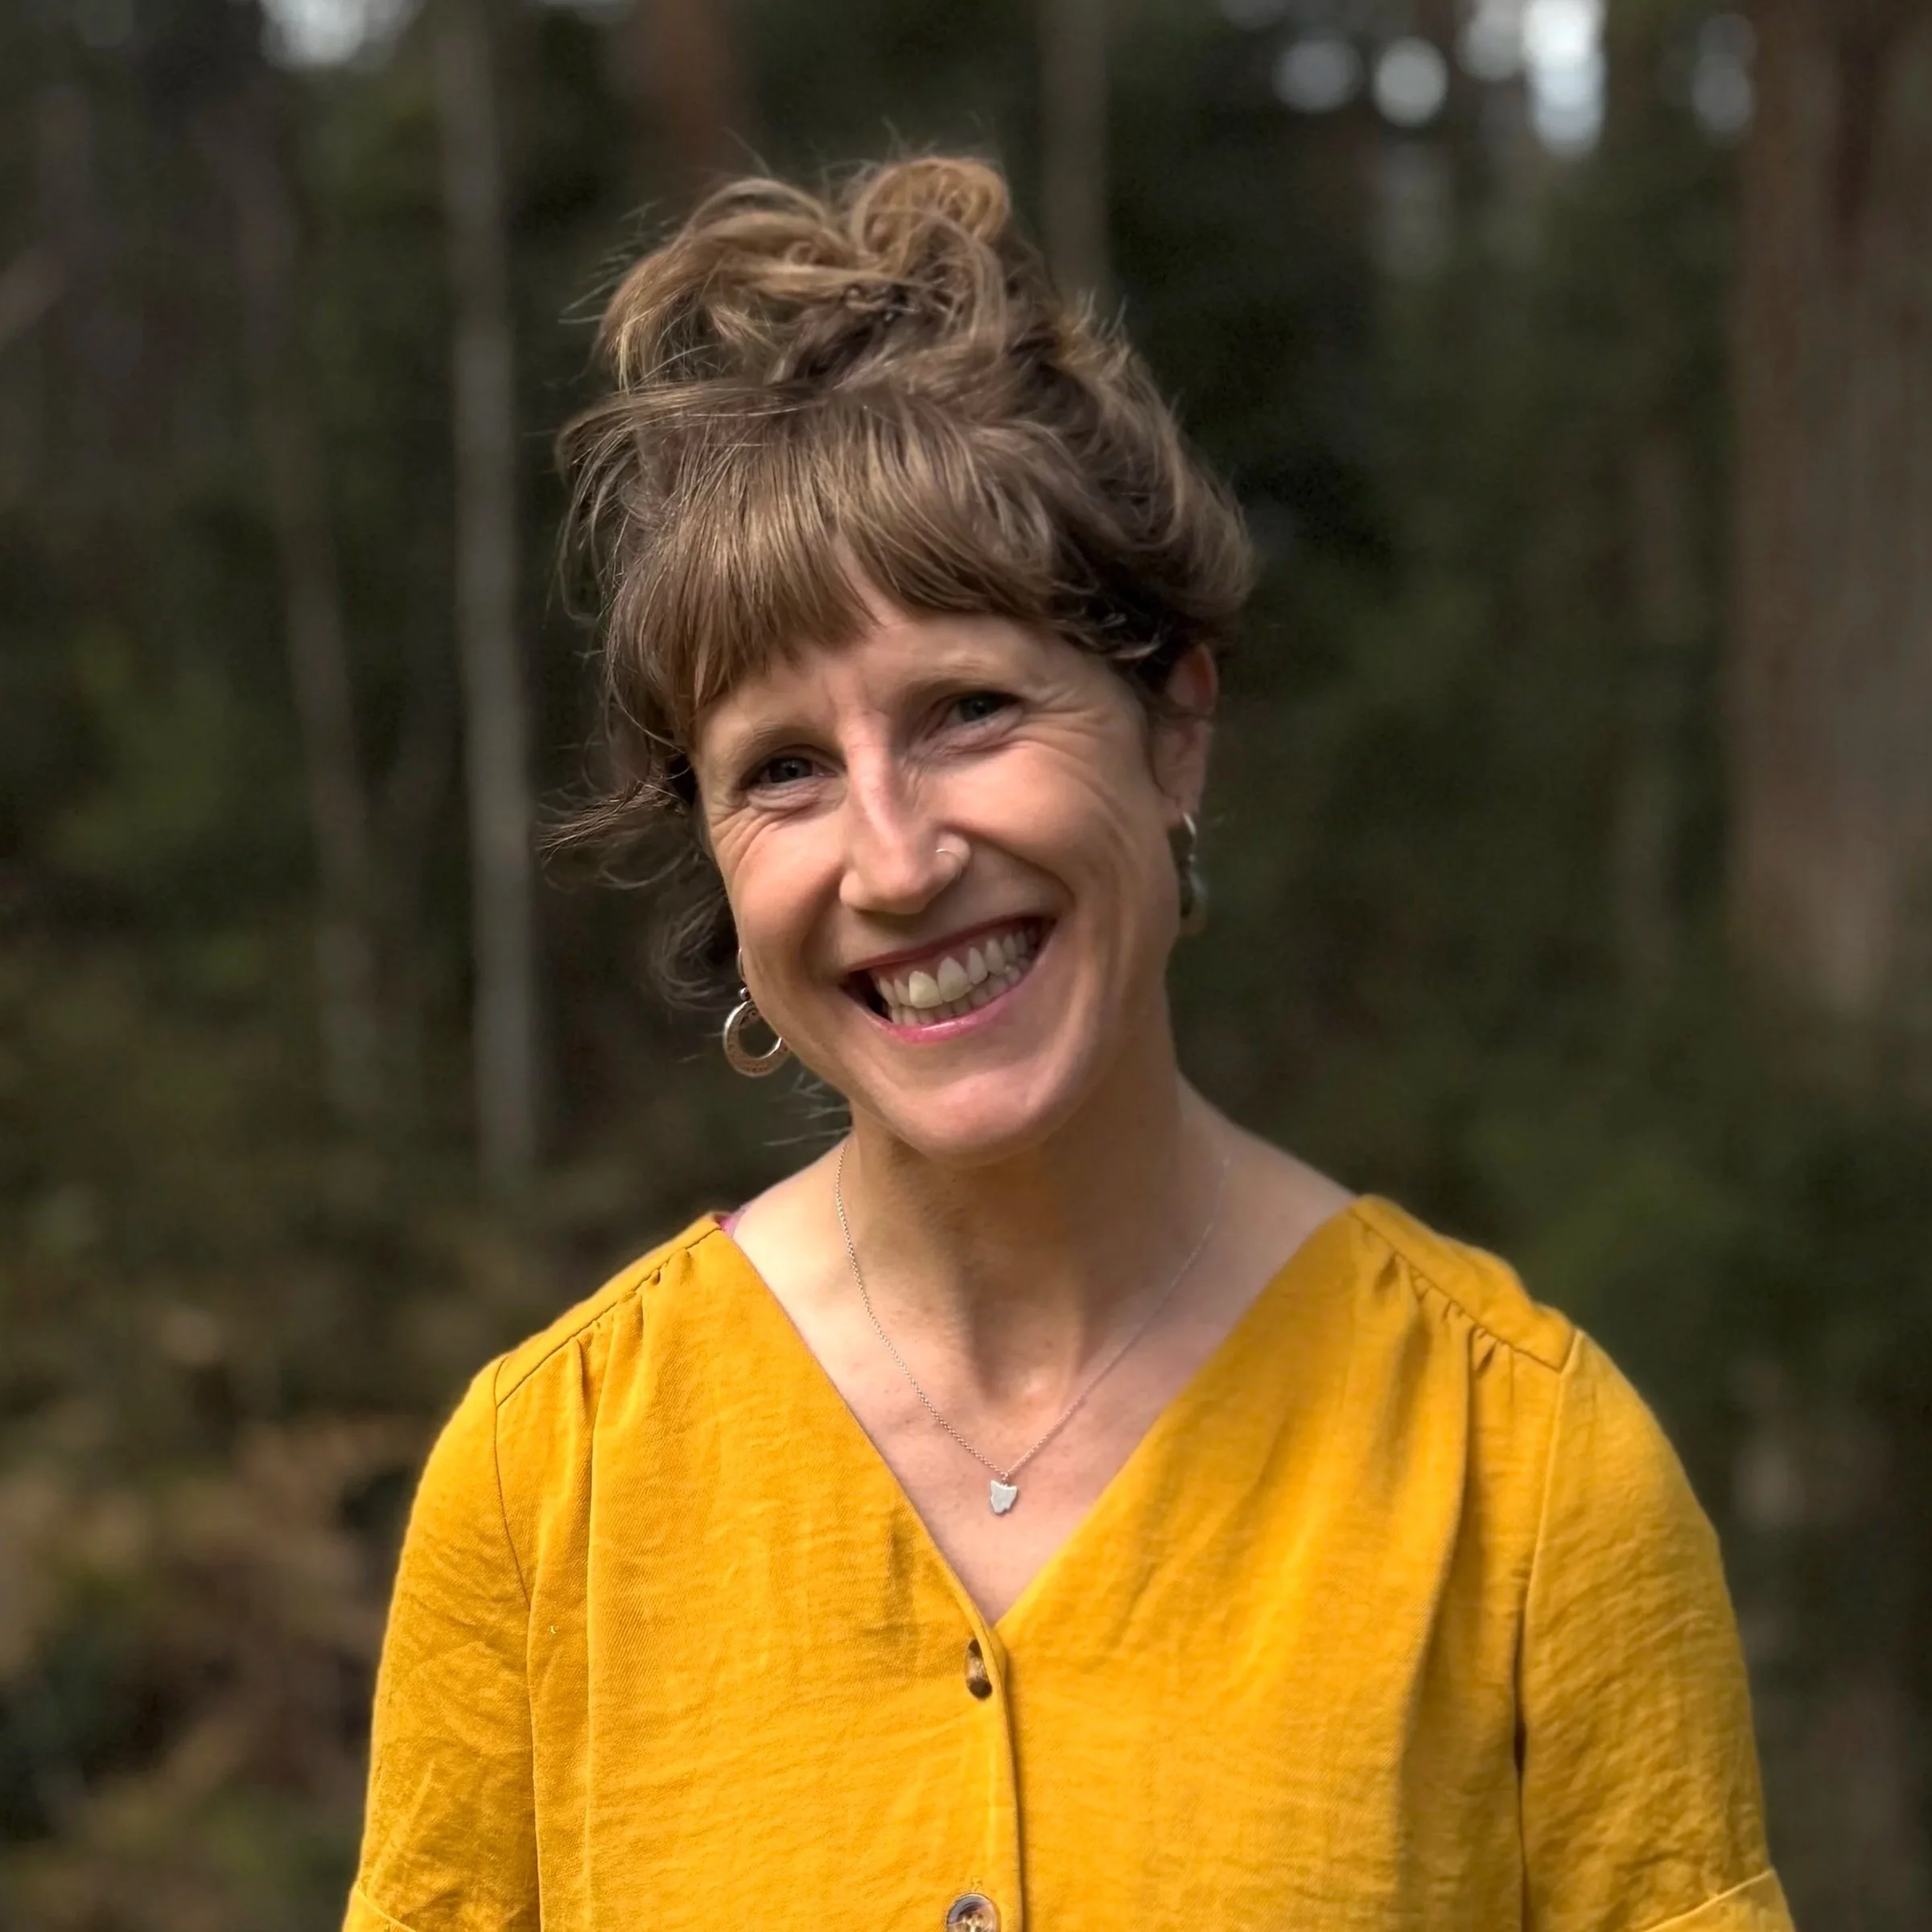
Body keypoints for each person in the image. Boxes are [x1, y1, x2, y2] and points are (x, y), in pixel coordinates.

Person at [343, 156, 1792, 1932]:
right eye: (783, 770)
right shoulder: (546, 1487)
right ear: (717, 859)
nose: (893, 858)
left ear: (1173, 727)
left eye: (965, 711)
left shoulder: (1524, 1473)